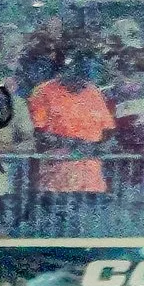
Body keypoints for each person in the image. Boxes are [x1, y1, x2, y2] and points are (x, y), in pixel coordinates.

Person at [28, 52, 115, 196]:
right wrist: (75, 145)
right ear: (63, 70)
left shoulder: (93, 92)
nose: (80, 82)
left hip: (91, 183)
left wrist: (97, 147)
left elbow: (108, 131)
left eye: (83, 77)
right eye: (74, 73)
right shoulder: (43, 92)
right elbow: (37, 133)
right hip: (55, 183)